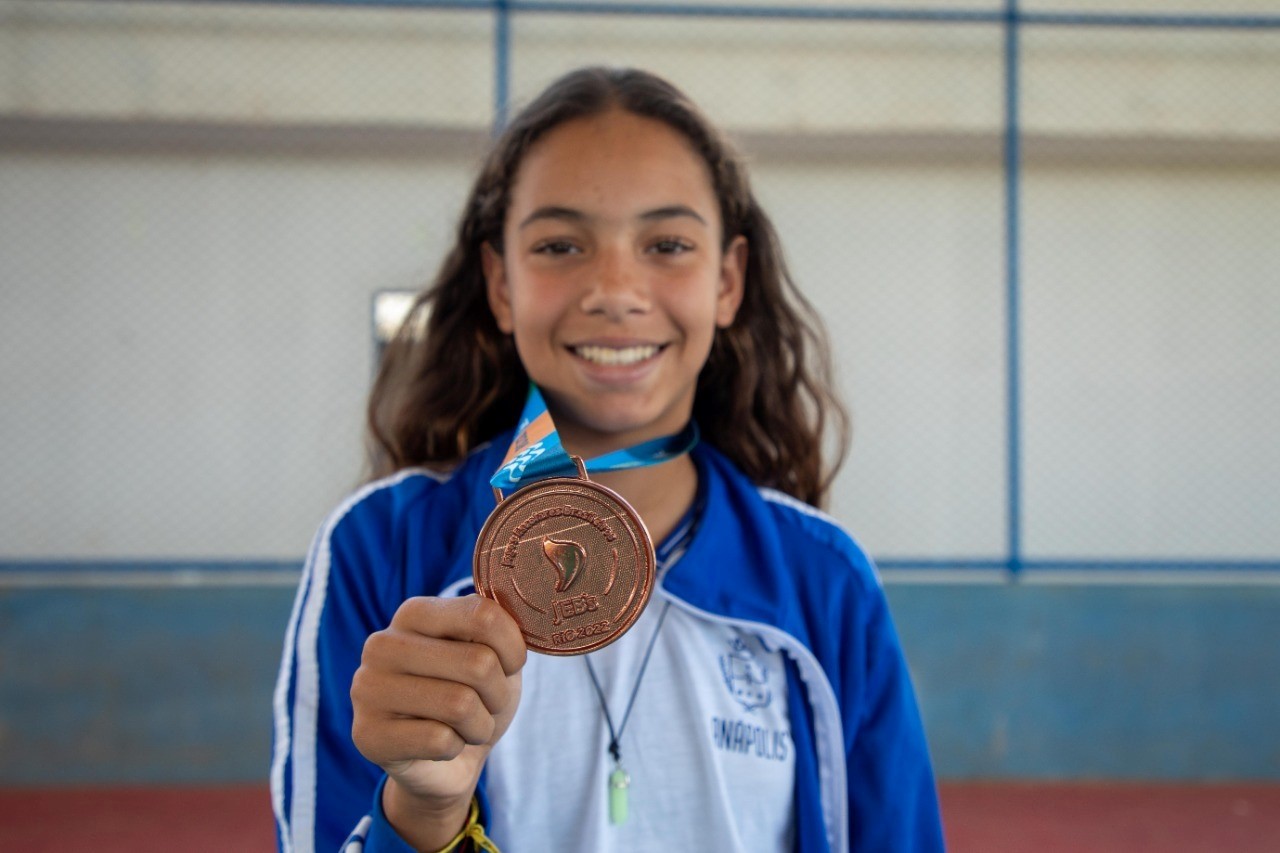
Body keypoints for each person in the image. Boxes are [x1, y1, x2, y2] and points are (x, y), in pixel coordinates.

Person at [271, 66, 944, 853]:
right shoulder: (381, 551)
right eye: (560, 244)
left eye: (667, 244)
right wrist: (422, 814)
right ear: (501, 284)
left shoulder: (825, 581)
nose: (616, 289)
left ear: (726, 281)